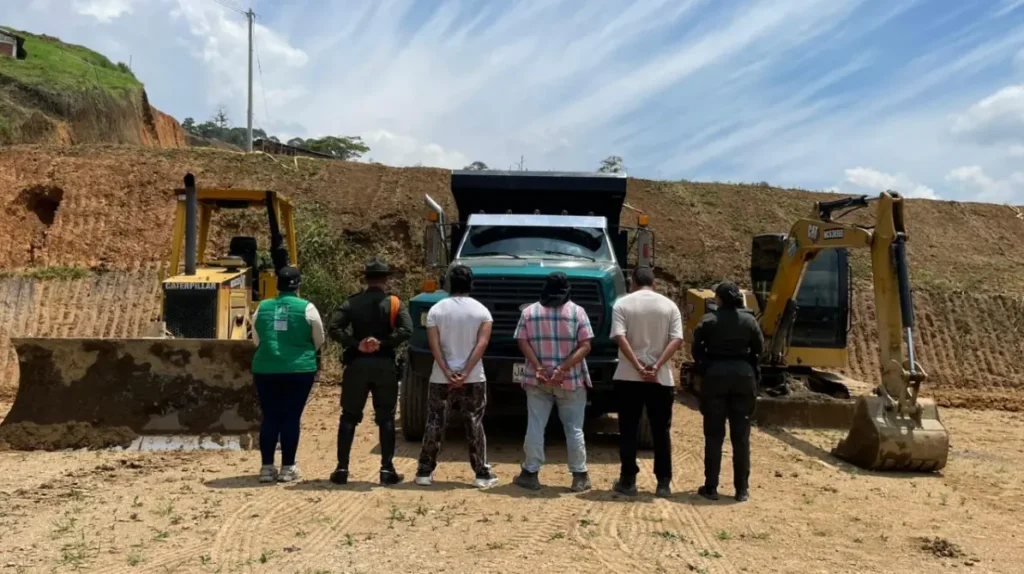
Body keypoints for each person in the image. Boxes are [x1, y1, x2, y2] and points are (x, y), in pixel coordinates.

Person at [327, 258, 413, 486]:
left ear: (365, 279)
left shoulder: (352, 302)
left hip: (357, 365)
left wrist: (356, 344)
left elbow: (334, 328)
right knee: (385, 418)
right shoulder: (394, 303)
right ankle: (387, 470)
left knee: (349, 416)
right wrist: (383, 343)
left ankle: (342, 469)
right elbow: (407, 330)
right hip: (384, 365)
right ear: (386, 280)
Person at [414, 265, 499, 488]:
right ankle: (481, 473)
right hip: (473, 377)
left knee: (435, 421)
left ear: (449, 283)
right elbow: (482, 344)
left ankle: (424, 471)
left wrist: (447, 370)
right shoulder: (482, 312)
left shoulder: (436, 310)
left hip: (441, 377)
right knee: (474, 422)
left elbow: (434, 345)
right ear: (471, 284)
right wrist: (466, 371)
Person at [512, 272, 594, 492]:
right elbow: (585, 346)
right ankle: (579, 476)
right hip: (570, 381)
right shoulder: (578, 312)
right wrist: (562, 369)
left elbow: (522, 341)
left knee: (536, 425)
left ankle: (530, 473)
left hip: (537, 380)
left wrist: (538, 367)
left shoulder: (529, 312)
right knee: (574, 428)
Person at [609, 266, 683, 498]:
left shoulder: (622, 304)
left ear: (632, 282)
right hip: (660, 379)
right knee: (661, 430)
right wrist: (656, 366)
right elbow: (676, 340)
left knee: (628, 428)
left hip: (628, 376)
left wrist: (638, 366)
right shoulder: (669, 306)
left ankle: (628, 480)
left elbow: (620, 337)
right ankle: (663, 483)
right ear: (655, 284)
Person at [251, 266, 325, 483]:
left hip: (265, 368)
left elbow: (256, 339)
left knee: (270, 416)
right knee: (291, 417)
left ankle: (266, 468)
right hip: (299, 369)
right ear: (298, 285)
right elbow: (319, 338)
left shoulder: (262, 307)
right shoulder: (307, 308)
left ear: (277, 285)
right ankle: (288, 468)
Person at [691, 281, 764, 502]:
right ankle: (741, 490)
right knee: (741, 437)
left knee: (714, 435)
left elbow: (696, 349)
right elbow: (759, 349)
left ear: (719, 299)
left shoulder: (709, 320)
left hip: (715, 377)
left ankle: (711, 487)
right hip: (744, 377)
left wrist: (706, 366)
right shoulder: (750, 320)